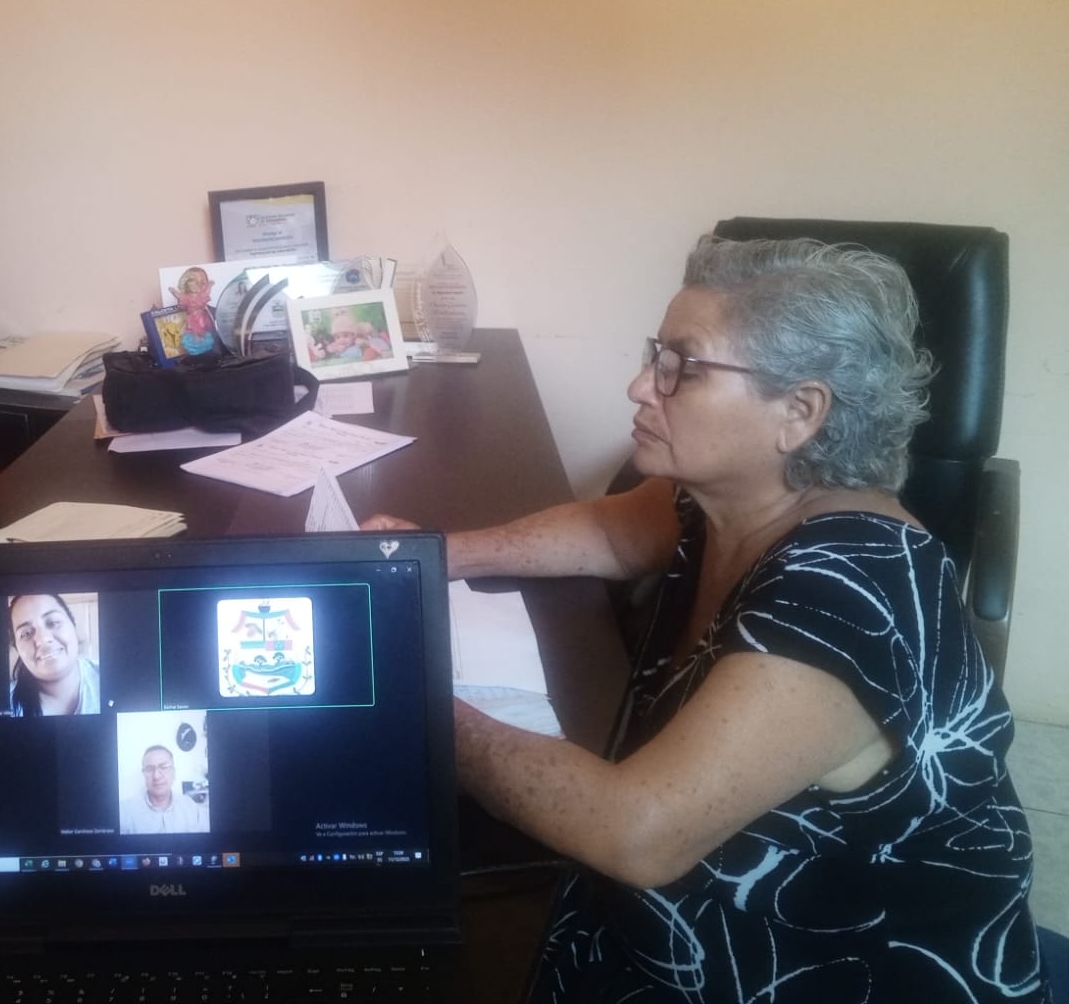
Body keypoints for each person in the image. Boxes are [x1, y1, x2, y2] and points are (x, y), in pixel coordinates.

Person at [364, 235, 1043, 1002]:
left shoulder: (847, 596)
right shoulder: (732, 496)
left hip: (838, 968)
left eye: (683, 367)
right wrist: (424, 555)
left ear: (800, 412)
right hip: (686, 921)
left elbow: (636, 833)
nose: (639, 386)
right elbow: (609, 533)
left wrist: (411, 702)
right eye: (657, 355)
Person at [6, 593, 100, 716]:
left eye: (53, 623)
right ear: (17, 647)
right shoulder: (4, 705)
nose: (43, 639)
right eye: (26, 633)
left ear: (73, 625)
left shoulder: (112, 678)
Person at [119, 743, 209, 835]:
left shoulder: (190, 806)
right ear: (144, 775)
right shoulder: (124, 811)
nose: (156, 776)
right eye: (149, 769)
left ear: (174, 773)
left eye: (164, 767)